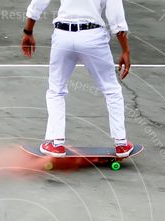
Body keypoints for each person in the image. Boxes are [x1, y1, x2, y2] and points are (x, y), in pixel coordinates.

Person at [21, 0, 134, 158]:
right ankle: (121, 144)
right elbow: (116, 16)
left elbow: (39, 2)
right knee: (111, 90)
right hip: (93, 36)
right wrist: (125, 49)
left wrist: (28, 31)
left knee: (56, 91)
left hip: (63, 36)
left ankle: (56, 144)